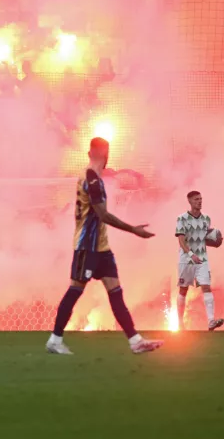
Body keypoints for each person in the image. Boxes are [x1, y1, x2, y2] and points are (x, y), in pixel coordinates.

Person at [46, 137, 163, 355]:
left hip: (101, 248)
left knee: (115, 292)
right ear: (104, 154)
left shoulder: (95, 177)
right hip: (87, 247)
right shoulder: (91, 179)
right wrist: (133, 230)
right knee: (75, 290)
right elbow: (102, 214)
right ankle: (55, 339)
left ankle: (135, 341)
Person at [174, 190, 224, 331]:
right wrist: (190, 254)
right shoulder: (182, 218)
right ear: (189, 201)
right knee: (183, 290)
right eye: (196, 199)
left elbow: (203, 239)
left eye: (201, 199)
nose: (199, 201)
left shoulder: (206, 219)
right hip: (186, 260)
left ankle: (211, 321)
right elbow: (181, 240)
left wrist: (216, 241)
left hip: (202, 259)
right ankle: (180, 323)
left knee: (206, 287)